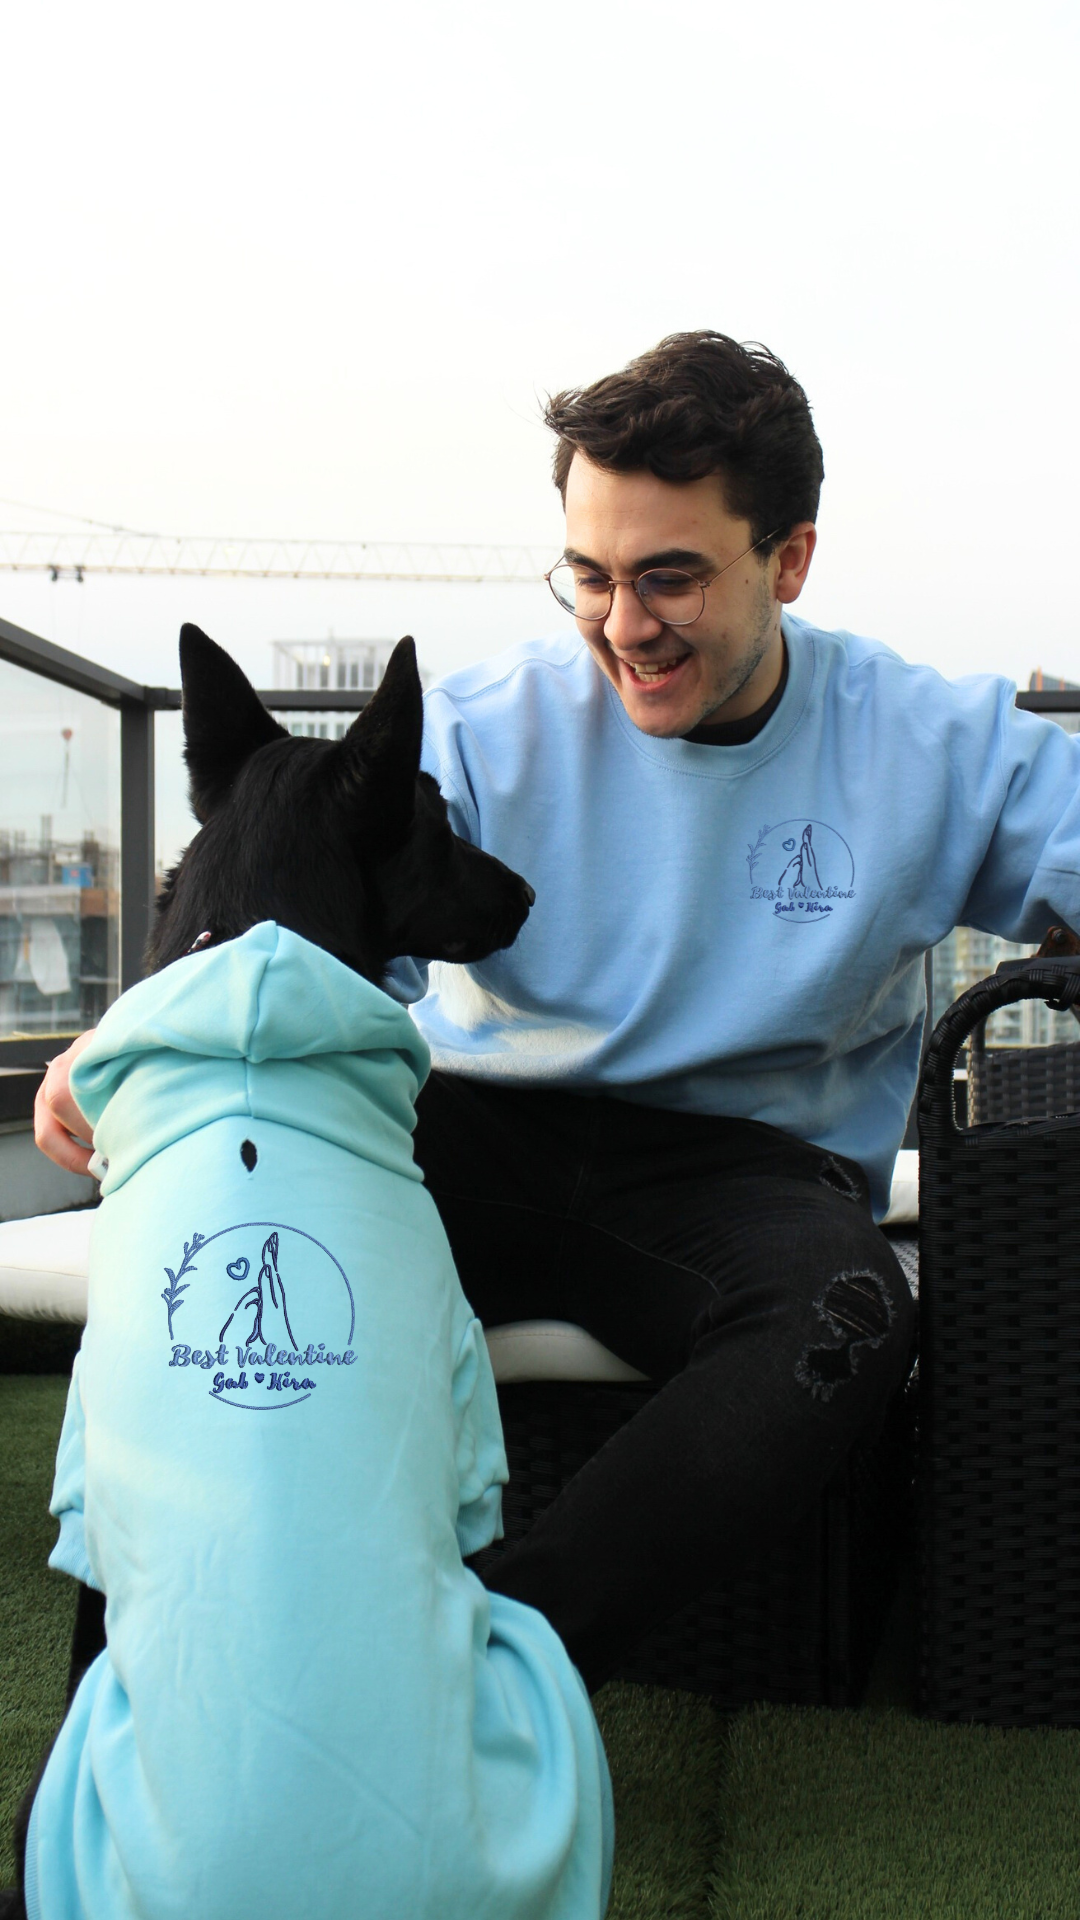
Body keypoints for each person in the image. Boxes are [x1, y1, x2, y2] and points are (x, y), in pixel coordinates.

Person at [36, 330, 1080, 1696]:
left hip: (745, 1171)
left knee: (847, 1313)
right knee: (226, 1226)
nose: (622, 626)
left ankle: (480, 1667)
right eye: (589, 576)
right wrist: (125, 1042)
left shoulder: (931, 742)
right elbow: (298, 954)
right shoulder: (474, 732)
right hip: (476, 1131)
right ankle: (120, 1732)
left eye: (670, 578)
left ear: (791, 560)